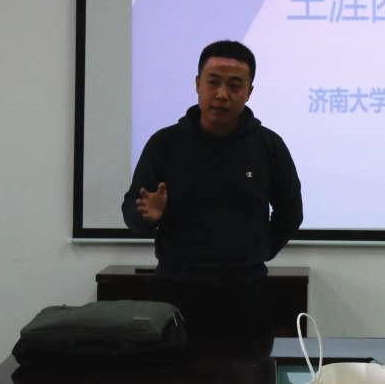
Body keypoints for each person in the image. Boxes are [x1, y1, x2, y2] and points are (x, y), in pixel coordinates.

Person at [121, 40, 303, 342]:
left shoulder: (268, 146)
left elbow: (291, 212)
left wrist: (258, 251)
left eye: (234, 86)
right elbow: (133, 213)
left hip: (246, 294)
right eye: (213, 82)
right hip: (175, 292)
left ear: (249, 91)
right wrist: (149, 217)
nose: (221, 95)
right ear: (197, 84)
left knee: (249, 368)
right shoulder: (164, 144)